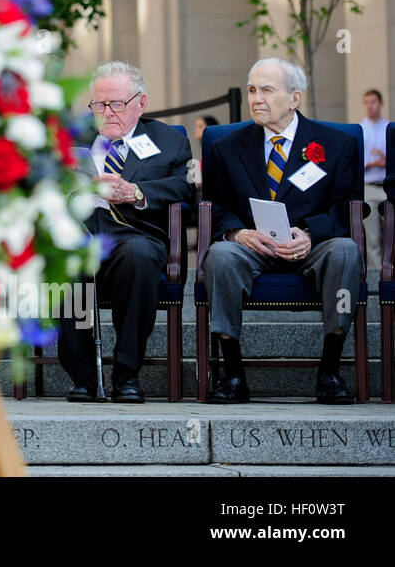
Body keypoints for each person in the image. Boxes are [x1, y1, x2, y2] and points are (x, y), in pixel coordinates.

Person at [201, 58, 363, 404]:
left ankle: (330, 370)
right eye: (252, 90)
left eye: (267, 90)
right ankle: (232, 374)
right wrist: (237, 234)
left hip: (312, 245)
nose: (257, 99)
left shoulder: (335, 144)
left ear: (294, 98)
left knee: (346, 252)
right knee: (220, 255)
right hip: (252, 246)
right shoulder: (226, 147)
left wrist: (309, 233)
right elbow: (213, 206)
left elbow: (352, 206)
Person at [59, 61, 193, 403]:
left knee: (139, 256)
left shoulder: (168, 140)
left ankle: (126, 372)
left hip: (136, 235)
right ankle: (84, 376)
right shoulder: (73, 137)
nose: (106, 113)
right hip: (82, 232)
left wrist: (135, 192)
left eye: (116, 104)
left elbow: (184, 189)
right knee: (68, 256)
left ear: (141, 102)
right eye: (98, 104)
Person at [359, 89, 388, 282]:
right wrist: (370, 163)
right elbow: (354, 160)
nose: (371, 106)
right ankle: (376, 278)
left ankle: (389, 271)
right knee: (372, 237)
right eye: (367, 102)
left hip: (387, 187)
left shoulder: (389, 128)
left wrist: (387, 160)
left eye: (374, 102)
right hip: (368, 187)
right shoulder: (360, 129)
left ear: (381, 103)